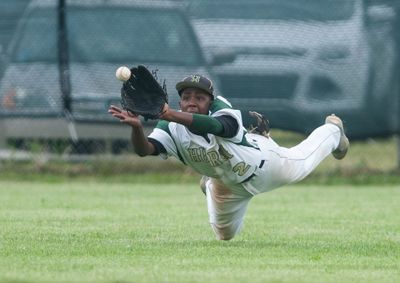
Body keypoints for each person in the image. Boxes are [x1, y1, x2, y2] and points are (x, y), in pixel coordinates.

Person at [108, 74, 349, 241]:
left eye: (199, 97)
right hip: (227, 183)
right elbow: (146, 150)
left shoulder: (221, 108)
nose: (192, 101)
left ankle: (333, 132)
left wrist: (169, 113)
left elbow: (218, 126)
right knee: (225, 235)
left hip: (264, 164)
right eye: (187, 96)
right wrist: (136, 128)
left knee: (303, 160)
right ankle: (211, 180)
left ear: (210, 101)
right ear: (180, 100)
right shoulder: (170, 125)